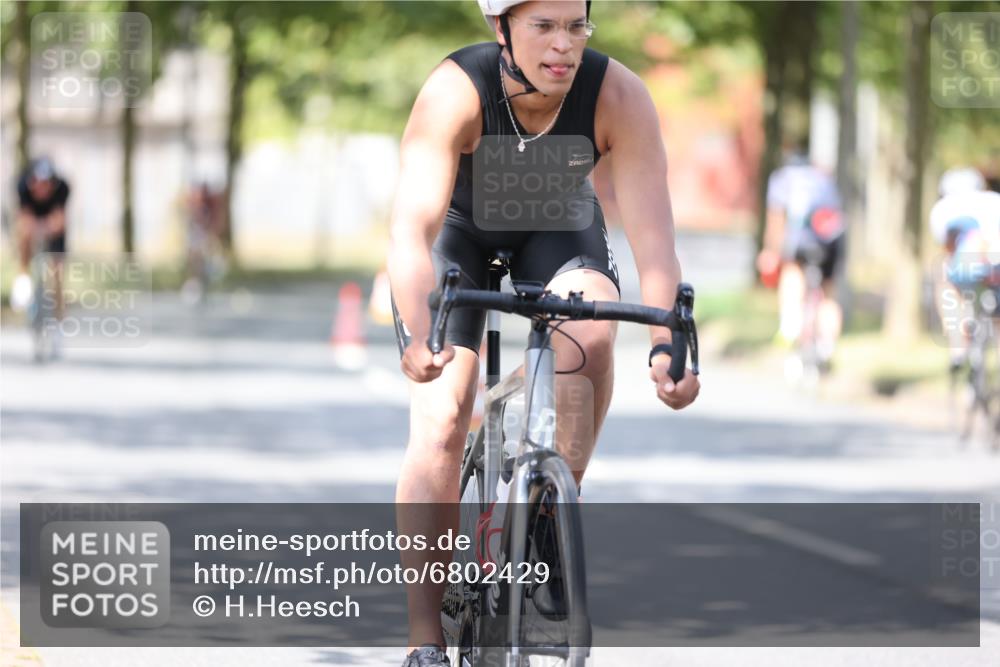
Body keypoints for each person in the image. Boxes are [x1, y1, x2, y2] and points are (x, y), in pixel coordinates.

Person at [386, 2, 699, 664]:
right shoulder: (454, 90)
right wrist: (418, 332)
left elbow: (655, 243)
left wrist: (667, 345)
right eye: (543, 26)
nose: (564, 44)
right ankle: (423, 636)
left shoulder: (618, 96)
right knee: (443, 416)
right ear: (501, 28)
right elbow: (412, 229)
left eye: (576, 26)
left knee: (592, 332)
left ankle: (551, 512)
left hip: (559, 224)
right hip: (460, 234)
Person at [757, 144, 844, 373]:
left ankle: (790, 323)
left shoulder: (782, 179)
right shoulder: (823, 177)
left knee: (792, 270)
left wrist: (770, 251)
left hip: (801, 238)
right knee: (829, 293)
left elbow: (776, 218)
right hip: (831, 238)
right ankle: (828, 344)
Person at [929, 166, 1000, 366]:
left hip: (968, 267)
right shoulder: (995, 200)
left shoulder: (943, 209)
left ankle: (958, 344)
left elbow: (949, 248)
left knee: (944, 278)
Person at [13, 158, 71, 324]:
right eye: (38, 183)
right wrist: (35, 227)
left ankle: (59, 315)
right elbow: (24, 219)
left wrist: (47, 227)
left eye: (46, 184)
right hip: (34, 218)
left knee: (57, 267)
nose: (41, 188)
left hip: (52, 222)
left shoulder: (62, 188)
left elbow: (60, 221)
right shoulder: (22, 187)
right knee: (24, 236)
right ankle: (23, 278)